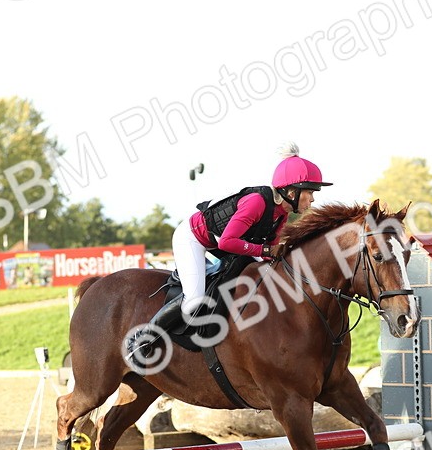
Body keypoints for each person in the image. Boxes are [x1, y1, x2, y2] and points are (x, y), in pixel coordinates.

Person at [129, 142, 329, 358]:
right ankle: (143, 339)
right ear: (291, 191)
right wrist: (266, 250)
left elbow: (267, 251)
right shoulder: (257, 203)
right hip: (193, 238)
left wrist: (273, 254)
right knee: (193, 300)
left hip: (222, 240)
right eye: (309, 192)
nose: (313, 198)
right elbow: (228, 243)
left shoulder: (281, 212)